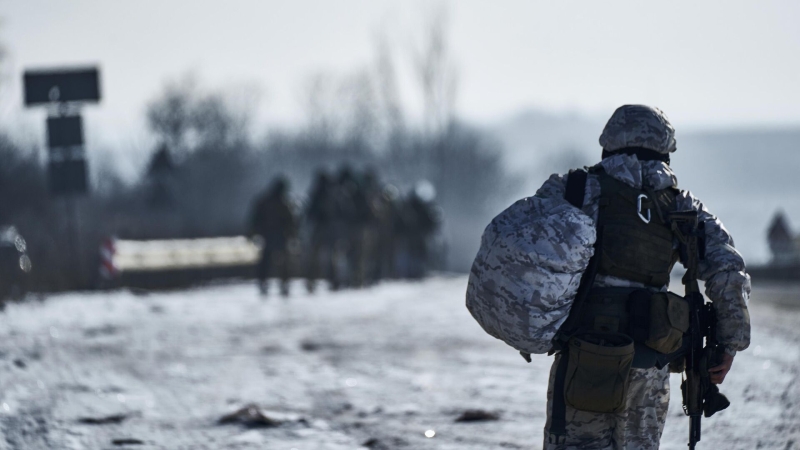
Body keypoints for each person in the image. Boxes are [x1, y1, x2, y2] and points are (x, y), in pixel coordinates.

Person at [532, 105, 752, 449]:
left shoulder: (577, 190)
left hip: (582, 360)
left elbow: (529, 255)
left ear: (608, 146)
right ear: (664, 150)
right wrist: (729, 343)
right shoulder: (682, 206)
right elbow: (728, 271)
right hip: (649, 365)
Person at [248, 176, 297, 296]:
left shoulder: (274, 202)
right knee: (270, 261)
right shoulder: (278, 203)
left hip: (276, 236)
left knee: (274, 261)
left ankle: (279, 283)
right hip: (273, 236)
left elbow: (290, 221)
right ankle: (274, 283)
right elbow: (256, 219)